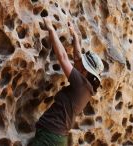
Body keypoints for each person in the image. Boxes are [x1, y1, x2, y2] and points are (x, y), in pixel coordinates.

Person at [30, 17, 104, 146]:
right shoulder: (87, 88)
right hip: (58, 137)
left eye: (83, 64)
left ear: (85, 71)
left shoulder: (80, 82)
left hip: (49, 137)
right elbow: (78, 58)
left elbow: (63, 58)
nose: (79, 62)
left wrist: (51, 29)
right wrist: (75, 36)